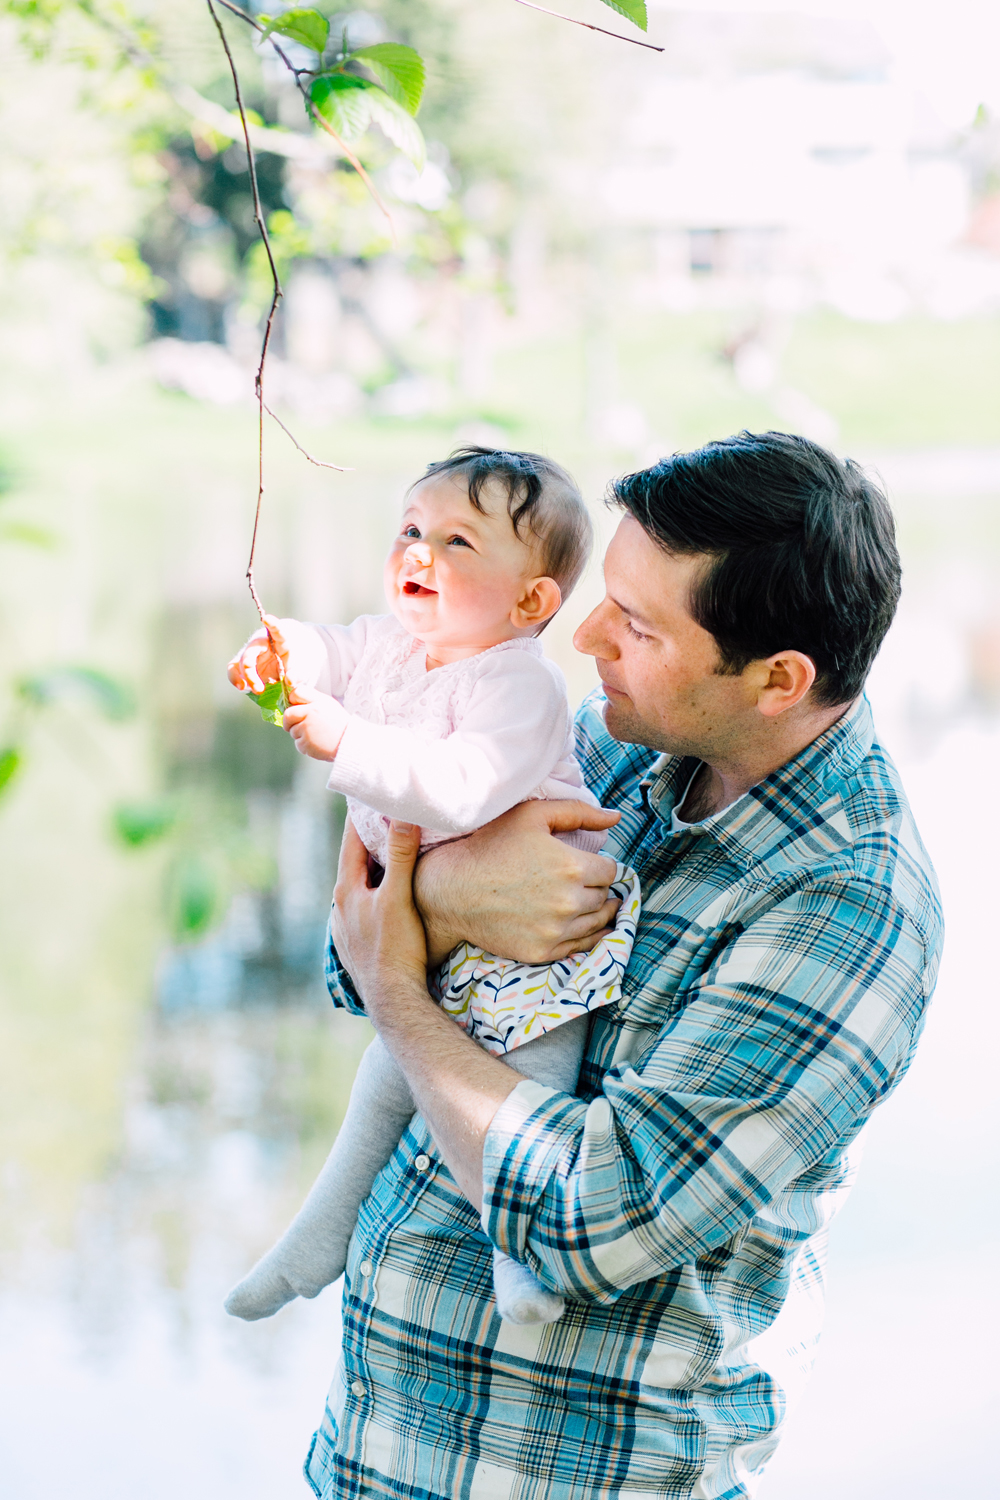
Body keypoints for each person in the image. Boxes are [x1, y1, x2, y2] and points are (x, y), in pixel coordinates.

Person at [306, 430, 943, 1500]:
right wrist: (443, 901)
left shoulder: (851, 905)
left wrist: (403, 990)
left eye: (636, 624)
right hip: (373, 1462)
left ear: (778, 678)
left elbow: (588, 1221)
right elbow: (343, 942)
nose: (584, 632)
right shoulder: (612, 740)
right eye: (604, 595)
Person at [224, 447, 640, 1328]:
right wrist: (281, 650)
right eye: (410, 529)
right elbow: (329, 649)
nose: (419, 554)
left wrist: (346, 741)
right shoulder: (393, 645)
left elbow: (463, 786)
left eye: (457, 542)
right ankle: (314, 1239)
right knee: (385, 1076)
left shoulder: (519, 681)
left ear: (530, 601)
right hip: (443, 937)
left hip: (535, 942)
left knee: (526, 1093)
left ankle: (521, 1261)